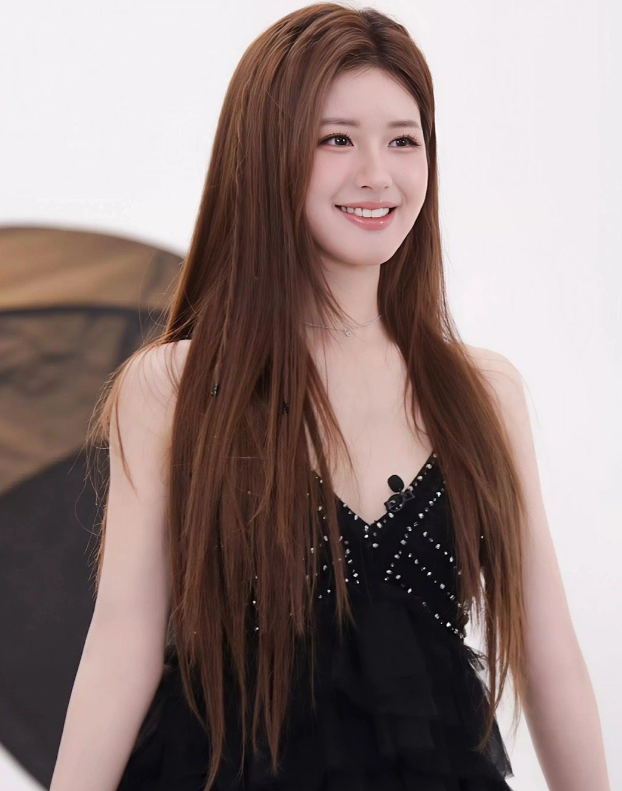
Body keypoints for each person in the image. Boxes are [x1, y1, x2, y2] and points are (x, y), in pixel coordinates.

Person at [49, 3, 611, 790]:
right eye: (336, 139)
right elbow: (123, 645)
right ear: (267, 153)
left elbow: (550, 658)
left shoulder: (483, 393)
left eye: (404, 140)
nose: (377, 173)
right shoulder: (176, 387)